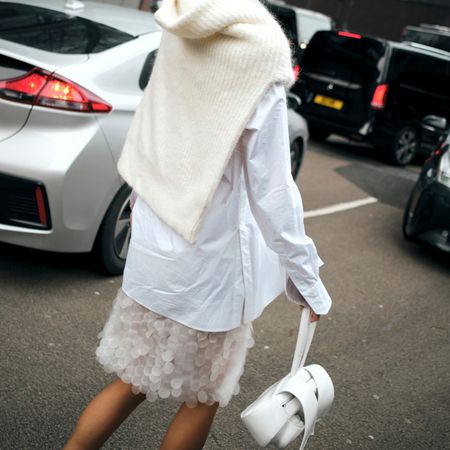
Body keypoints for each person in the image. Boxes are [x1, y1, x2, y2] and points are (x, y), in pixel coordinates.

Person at [64, 0, 331, 449]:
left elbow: (157, 124)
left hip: (156, 241)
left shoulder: (181, 20)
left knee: (135, 380)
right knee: (201, 398)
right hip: (211, 264)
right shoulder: (261, 49)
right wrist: (307, 277)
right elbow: (272, 189)